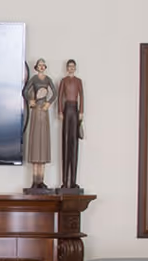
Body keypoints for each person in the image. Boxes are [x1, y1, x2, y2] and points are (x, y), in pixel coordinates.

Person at [22, 59, 55, 191]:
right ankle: (35, 180)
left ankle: (42, 180)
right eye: (39, 65)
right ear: (36, 67)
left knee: (43, 145)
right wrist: (31, 100)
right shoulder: (34, 79)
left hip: (44, 111)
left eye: (43, 65)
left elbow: (55, 93)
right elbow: (25, 91)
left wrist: (49, 103)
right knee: (36, 145)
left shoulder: (48, 79)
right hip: (36, 111)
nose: (41, 67)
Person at [56, 59, 84, 192]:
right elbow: (60, 96)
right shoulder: (63, 81)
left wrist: (82, 111)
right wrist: (60, 111)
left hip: (75, 109)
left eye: (73, 66)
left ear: (75, 68)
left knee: (74, 143)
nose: (71, 68)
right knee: (66, 142)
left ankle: (73, 181)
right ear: (67, 68)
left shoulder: (78, 81)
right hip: (67, 109)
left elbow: (82, 96)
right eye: (69, 66)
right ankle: (65, 181)